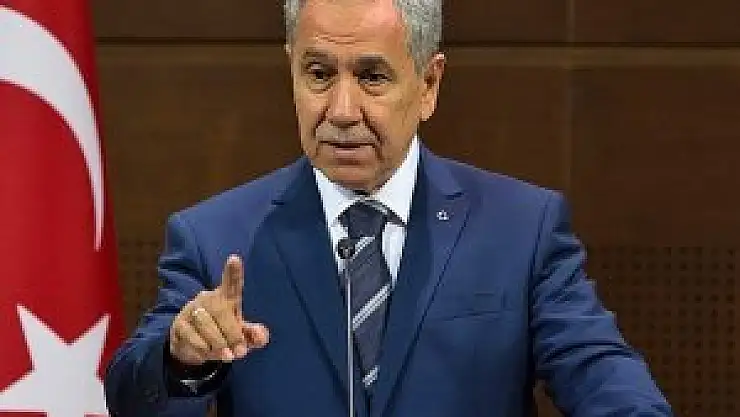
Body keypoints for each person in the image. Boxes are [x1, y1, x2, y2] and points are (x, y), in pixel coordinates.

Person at [103, 0, 674, 416]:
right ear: (291, 70)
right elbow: (132, 397)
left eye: (372, 77)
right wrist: (182, 357)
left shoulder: (521, 231)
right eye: (319, 74)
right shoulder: (215, 237)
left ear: (428, 84)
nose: (341, 110)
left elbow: (600, 373)